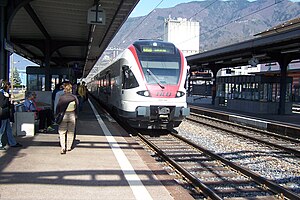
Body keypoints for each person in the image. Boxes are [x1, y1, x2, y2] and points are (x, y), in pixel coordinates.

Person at [56, 83, 79, 154]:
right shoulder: (74, 97)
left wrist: (57, 114)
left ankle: (63, 147)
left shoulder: (62, 97)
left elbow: (58, 107)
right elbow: (77, 107)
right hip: (72, 115)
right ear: (71, 89)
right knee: (71, 132)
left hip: (63, 116)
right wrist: (76, 115)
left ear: (64, 89)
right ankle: (69, 147)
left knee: (62, 132)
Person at [0, 80, 22, 150]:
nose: (9, 88)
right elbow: (2, 104)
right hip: (3, 114)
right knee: (2, 130)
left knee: (8, 130)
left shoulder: (4, 93)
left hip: (6, 114)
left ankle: (12, 142)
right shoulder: (1, 93)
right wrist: (7, 98)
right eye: (8, 86)